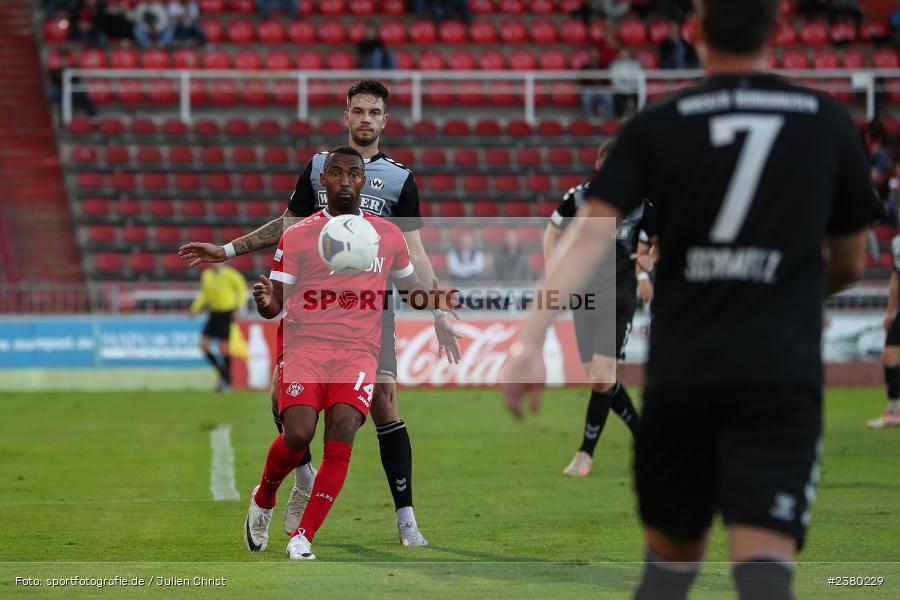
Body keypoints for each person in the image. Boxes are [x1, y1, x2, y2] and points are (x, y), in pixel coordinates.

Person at [502, 1, 876, 598]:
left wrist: (530, 338)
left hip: (686, 369)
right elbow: (852, 261)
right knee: (764, 572)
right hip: (777, 369)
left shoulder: (658, 124)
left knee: (669, 571)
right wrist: (780, 291)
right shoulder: (828, 121)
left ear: (694, 30)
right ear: (777, 27)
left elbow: (587, 233)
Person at [178, 79, 460, 547]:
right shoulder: (318, 167)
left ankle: (406, 518)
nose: (366, 119)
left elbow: (413, 250)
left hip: (370, 311)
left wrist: (437, 313)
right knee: (284, 403)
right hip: (310, 307)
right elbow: (288, 225)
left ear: (385, 121)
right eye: (359, 111)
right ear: (346, 116)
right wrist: (227, 251)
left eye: (374, 112)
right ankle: (303, 476)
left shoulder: (400, 179)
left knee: (384, 401)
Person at [244, 146, 458, 560]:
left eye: (353, 174)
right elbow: (275, 305)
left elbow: (410, 289)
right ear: (322, 181)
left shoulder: (387, 235)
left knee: (341, 433)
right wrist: (266, 301)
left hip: (358, 351)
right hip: (305, 346)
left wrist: (439, 304)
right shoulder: (298, 234)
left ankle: (303, 537)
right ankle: (264, 496)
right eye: (336, 173)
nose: (345, 181)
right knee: (299, 434)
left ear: (363, 181)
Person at [543, 139, 651, 477]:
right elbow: (551, 233)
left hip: (619, 297)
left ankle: (584, 454)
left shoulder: (642, 205)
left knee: (602, 376)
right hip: (583, 297)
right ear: (599, 165)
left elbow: (653, 242)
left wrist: (646, 268)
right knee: (600, 379)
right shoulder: (578, 197)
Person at [191, 262, 247, 392]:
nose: (214, 262)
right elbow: (205, 294)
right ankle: (224, 376)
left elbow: (242, 291)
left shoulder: (231, 274)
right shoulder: (206, 275)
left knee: (224, 348)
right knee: (204, 345)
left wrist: (238, 307)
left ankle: (228, 381)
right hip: (213, 313)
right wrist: (195, 307)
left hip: (226, 313)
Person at [869, 231, 900, 428]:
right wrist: (890, 313)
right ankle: (894, 411)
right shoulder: (897, 242)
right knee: (889, 358)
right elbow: (896, 278)